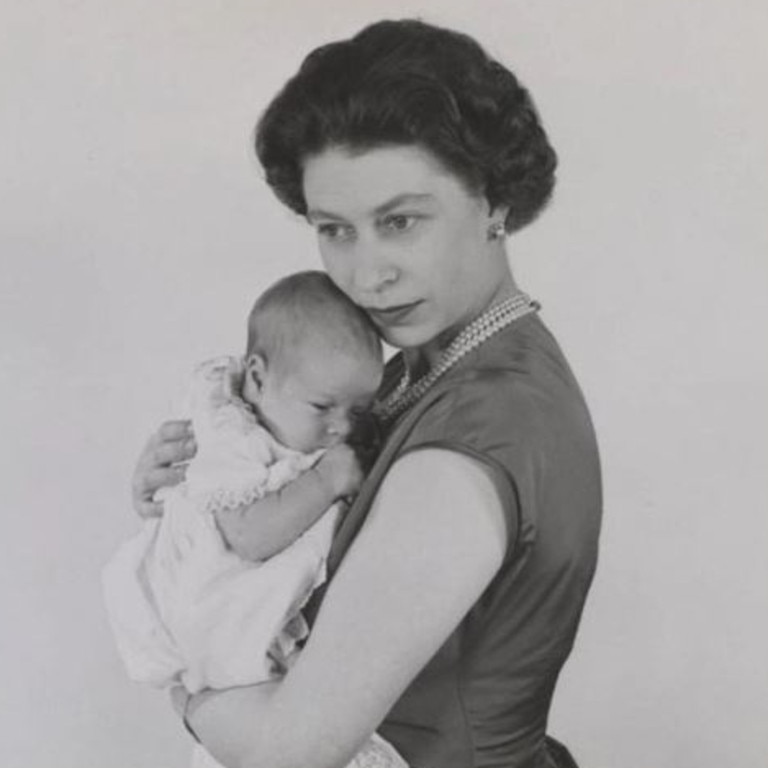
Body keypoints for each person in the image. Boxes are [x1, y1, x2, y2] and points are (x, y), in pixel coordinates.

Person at [131, 19, 602, 768]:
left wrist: (183, 676)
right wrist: (206, 497)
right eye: (335, 230)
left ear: (496, 202)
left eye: (401, 221)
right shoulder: (438, 368)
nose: (365, 274)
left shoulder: (473, 440)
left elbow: (290, 753)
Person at [106, 272, 407, 767]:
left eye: (358, 409)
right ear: (258, 376)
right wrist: (326, 482)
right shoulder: (231, 439)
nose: (340, 426)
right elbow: (248, 535)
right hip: (221, 634)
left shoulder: (295, 422)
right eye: (323, 406)